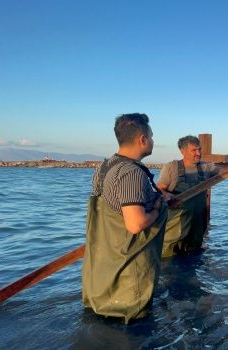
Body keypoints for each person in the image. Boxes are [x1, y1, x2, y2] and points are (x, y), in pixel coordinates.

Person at [82, 113, 168, 323]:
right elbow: (136, 223)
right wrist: (157, 210)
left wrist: (158, 196)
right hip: (128, 286)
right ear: (142, 139)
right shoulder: (132, 173)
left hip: (101, 281)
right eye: (152, 136)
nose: (153, 141)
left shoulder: (104, 167)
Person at [157, 135, 219, 256]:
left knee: (194, 258)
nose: (198, 153)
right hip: (175, 226)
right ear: (183, 151)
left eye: (199, 149)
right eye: (194, 150)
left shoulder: (206, 167)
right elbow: (159, 190)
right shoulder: (171, 167)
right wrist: (167, 195)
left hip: (196, 228)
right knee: (169, 259)